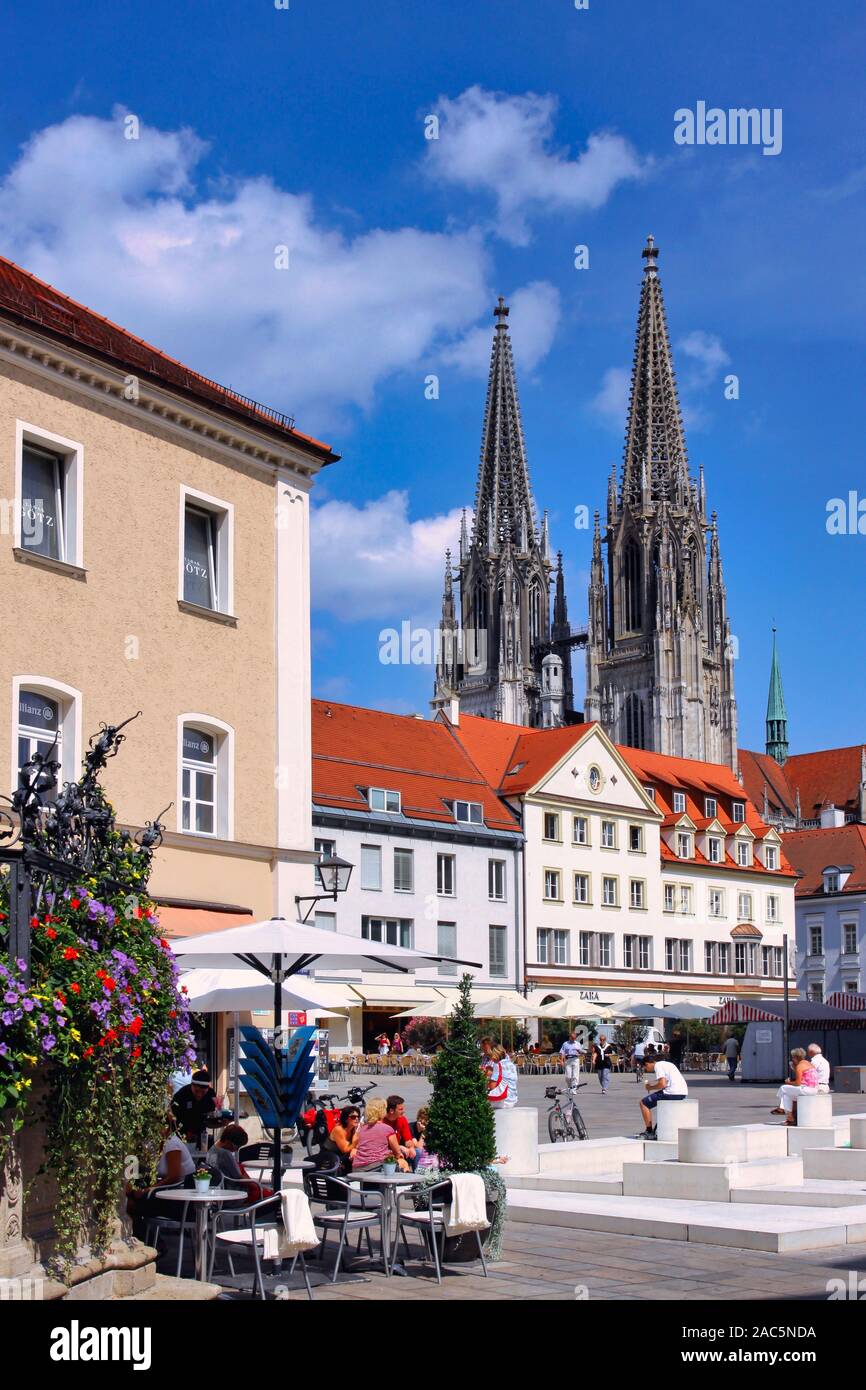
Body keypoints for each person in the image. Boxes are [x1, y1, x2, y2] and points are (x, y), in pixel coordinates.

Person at [126, 1113, 196, 1236]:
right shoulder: (157, 1143)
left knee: (133, 1206)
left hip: (180, 1201)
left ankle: (152, 1242)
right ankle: (149, 1240)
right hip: (169, 1192)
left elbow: (175, 1177)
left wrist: (148, 1190)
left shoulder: (171, 1144)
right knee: (131, 1199)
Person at [207, 1123, 271, 1202]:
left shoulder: (212, 1149)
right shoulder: (225, 1154)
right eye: (236, 1146)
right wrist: (259, 1187)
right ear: (227, 1141)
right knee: (269, 1195)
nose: (237, 1150)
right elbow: (239, 1178)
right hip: (232, 1194)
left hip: (219, 1192)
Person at [352, 1097, 409, 1172]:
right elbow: (397, 1152)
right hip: (376, 1168)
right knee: (403, 1163)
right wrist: (400, 1157)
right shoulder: (387, 1129)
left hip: (357, 1168)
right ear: (382, 1111)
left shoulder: (362, 1129)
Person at [639, 1055, 689, 1138]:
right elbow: (667, 1079)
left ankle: (649, 1130)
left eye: (645, 1068)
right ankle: (656, 1129)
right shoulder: (666, 1064)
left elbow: (662, 1084)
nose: (647, 1070)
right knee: (658, 1099)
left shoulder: (657, 1066)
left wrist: (650, 1087)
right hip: (682, 1092)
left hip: (672, 1093)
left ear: (647, 1064)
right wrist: (654, 1083)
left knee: (643, 1103)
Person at [171, 1068, 218, 1146]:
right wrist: (186, 1132)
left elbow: (209, 1115)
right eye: (196, 1091)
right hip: (181, 1135)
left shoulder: (211, 1094)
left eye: (203, 1092)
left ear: (208, 1088)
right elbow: (173, 1116)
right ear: (191, 1085)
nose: (199, 1095)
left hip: (201, 1134)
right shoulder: (182, 1094)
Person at [771, 1048, 819, 1125]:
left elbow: (798, 1083)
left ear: (795, 1057)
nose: (792, 1059)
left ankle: (781, 1108)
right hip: (814, 1089)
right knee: (787, 1095)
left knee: (783, 1088)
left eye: (792, 1057)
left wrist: (788, 1082)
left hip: (807, 1089)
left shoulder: (799, 1066)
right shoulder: (809, 1064)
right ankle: (790, 1118)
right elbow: (805, 1078)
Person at [321, 1105, 360, 1174]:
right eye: (353, 1117)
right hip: (328, 1159)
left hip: (340, 1158)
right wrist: (355, 1141)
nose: (356, 1119)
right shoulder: (339, 1129)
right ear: (345, 1119)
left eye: (358, 1117)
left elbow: (355, 1146)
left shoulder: (353, 1129)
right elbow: (345, 1149)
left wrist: (354, 1149)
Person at [384, 1095, 417, 1164]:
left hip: (398, 1150)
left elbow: (408, 1140)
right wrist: (400, 1147)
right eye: (400, 1109)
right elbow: (383, 1146)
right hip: (385, 1152)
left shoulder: (402, 1119)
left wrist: (411, 1148)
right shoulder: (382, 1122)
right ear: (391, 1110)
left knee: (418, 1152)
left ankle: (417, 1174)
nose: (403, 1112)